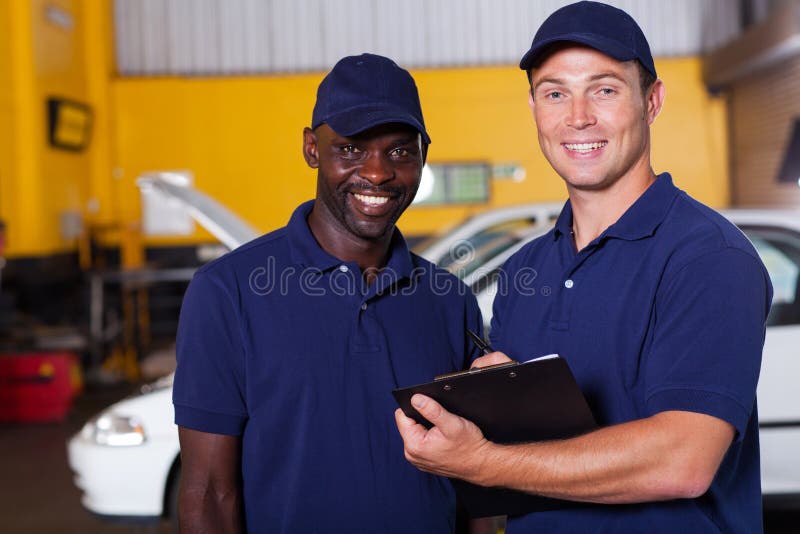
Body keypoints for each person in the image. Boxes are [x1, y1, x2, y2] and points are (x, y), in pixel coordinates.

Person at [395, 2, 773, 533]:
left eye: (604, 89)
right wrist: (499, 403)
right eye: (555, 93)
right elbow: (533, 454)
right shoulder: (525, 268)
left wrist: (481, 461)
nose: (578, 117)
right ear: (534, 109)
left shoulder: (708, 258)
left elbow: (683, 460)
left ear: (652, 100)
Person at [173, 53, 483, 533]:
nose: (377, 173)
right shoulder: (226, 293)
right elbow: (209, 492)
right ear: (312, 149)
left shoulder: (450, 300)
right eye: (352, 150)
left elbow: (471, 486)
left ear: (423, 155)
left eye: (400, 151)